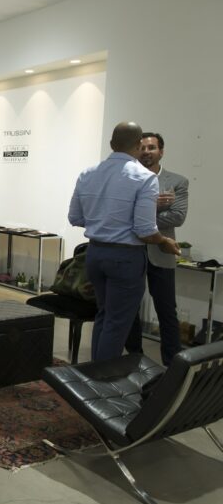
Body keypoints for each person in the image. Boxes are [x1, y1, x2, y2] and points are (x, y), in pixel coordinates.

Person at [68, 122, 180, 362]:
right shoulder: (144, 177)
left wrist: (103, 221)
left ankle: (94, 372)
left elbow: (75, 218)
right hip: (125, 258)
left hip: (95, 253)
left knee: (104, 315)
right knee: (117, 323)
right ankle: (103, 378)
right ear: (139, 145)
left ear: (111, 144)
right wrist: (164, 241)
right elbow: (145, 230)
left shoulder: (88, 174)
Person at [125, 133, 189, 365]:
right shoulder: (126, 178)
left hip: (162, 252)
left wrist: (141, 213)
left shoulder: (177, 181)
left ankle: (172, 365)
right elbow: (122, 214)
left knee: (167, 310)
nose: (146, 152)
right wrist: (153, 205)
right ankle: (135, 359)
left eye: (151, 147)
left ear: (161, 151)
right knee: (129, 308)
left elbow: (178, 216)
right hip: (131, 251)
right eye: (142, 148)